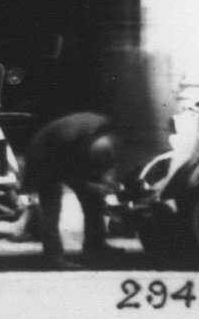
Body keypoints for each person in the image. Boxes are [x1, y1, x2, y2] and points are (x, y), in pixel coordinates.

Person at [22, 110, 123, 265]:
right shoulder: (71, 138)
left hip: (64, 151)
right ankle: (54, 258)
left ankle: (95, 246)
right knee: (51, 208)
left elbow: (98, 162)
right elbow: (66, 172)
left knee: (93, 198)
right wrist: (91, 185)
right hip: (44, 158)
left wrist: (105, 182)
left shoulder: (97, 131)